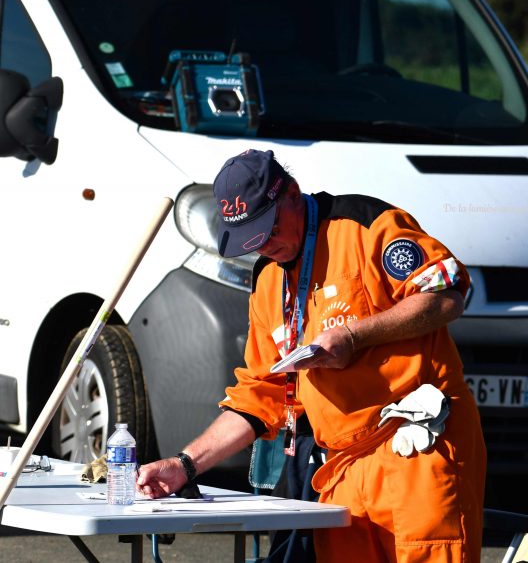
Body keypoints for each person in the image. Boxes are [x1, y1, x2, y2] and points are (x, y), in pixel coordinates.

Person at [138, 149, 486, 563]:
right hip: (339, 472)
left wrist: (355, 336)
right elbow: (258, 395)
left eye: (268, 229)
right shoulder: (267, 277)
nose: (265, 244)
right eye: (252, 238)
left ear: (292, 193)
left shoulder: (364, 225)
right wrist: (186, 464)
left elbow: (448, 294)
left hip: (417, 452)